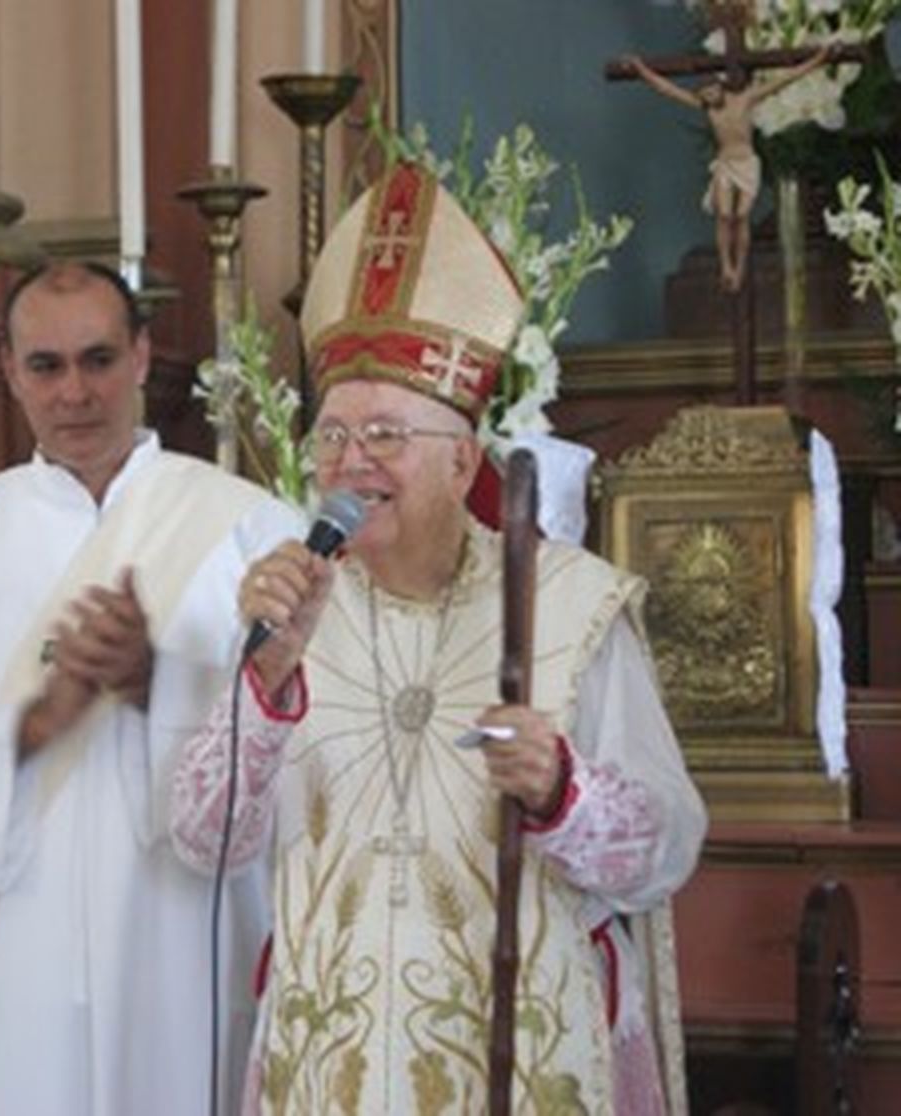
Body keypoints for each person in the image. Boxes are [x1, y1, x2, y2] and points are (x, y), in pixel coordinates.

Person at [169, 163, 708, 1115]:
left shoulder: (568, 606)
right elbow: (203, 842)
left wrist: (562, 790)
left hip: (523, 1058)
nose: (350, 462)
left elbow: (664, 851)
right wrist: (268, 679)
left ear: (463, 460)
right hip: (327, 1067)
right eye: (331, 436)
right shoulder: (291, 609)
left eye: (384, 434)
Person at [0, 261, 300, 1116]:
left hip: (179, 933)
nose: (75, 393)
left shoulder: (249, 528)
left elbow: (309, 740)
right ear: (11, 372)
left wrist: (157, 682)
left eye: (98, 360)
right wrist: (31, 726)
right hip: (14, 937)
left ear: (141, 356)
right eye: (46, 366)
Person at [624, 44, 830, 293]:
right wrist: (641, 69)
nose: (710, 99)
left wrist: (820, 58)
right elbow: (667, 89)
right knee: (723, 216)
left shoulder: (744, 100)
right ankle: (726, 267)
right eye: (706, 96)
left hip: (747, 164)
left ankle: (739, 267)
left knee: (741, 216)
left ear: (721, 87)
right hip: (725, 165)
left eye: (713, 92)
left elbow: (785, 79)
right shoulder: (707, 107)